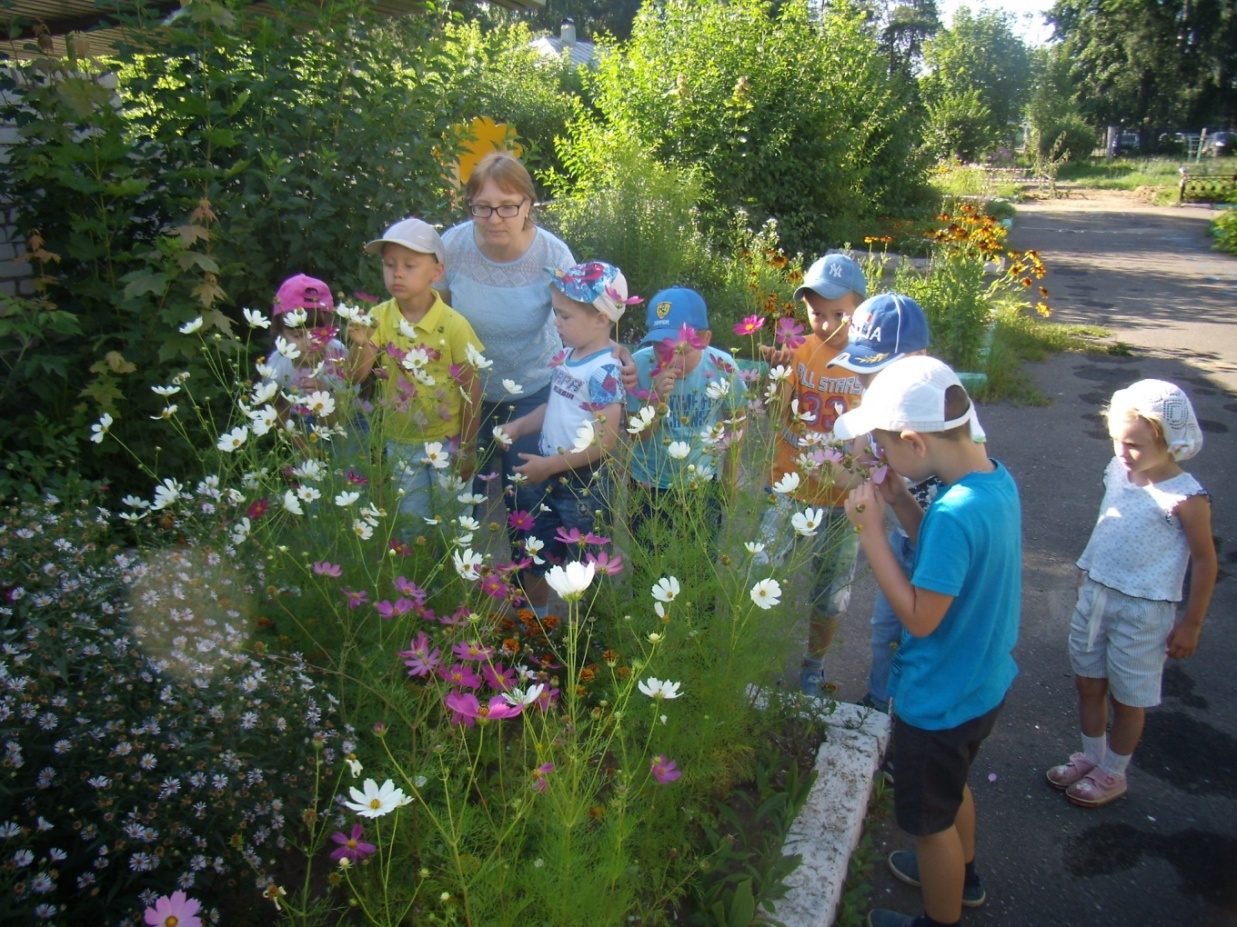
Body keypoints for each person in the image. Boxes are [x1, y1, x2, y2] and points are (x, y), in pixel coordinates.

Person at [839, 357, 1020, 927]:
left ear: (914, 442)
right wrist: (898, 502)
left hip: (935, 703)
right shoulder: (992, 482)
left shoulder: (955, 516)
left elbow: (920, 616)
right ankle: (961, 878)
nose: (881, 456)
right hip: (980, 688)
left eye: (885, 446)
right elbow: (948, 564)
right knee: (954, 788)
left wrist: (871, 535)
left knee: (929, 824)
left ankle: (938, 912)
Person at [1046, 379, 1214, 808]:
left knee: (1127, 696)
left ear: (1170, 442)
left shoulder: (1185, 498)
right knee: (1088, 682)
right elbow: (1108, 523)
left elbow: (1205, 561)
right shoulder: (1118, 471)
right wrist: (1088, 565)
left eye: (1135, 445)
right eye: (1118, 440)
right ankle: (1091, 755)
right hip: (1097, 595)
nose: (1123, 452)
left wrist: (1190, 624)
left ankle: (1114, 773)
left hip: (1144, 610)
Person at [437, 152, 576, 525]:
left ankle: (527, 580)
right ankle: (452, 578)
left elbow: (582, 320)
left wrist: (613, 355)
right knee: (455, 499)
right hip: (466, 393)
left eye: (507, 207)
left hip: (534, 391)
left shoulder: (553, 254)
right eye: (482, 207)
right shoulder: (452, 247)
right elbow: (436, 316)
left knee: (529, 506)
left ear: (528, 204)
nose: (494, 219)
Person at [755, 253, 868, 697]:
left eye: (840, 314)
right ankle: (754, 653)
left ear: (860, 308)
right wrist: (775, 373)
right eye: (817, 314)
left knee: (831, 593)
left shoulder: (870, 364)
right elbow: (773, 413)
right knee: (759, 574)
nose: (827, 325)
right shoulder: (798, 351)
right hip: (788, 488)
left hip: (842, 500)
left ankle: (814, 665)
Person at [499, 261, 629, 617]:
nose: (556, 322)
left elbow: (605, 442)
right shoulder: (571, 356)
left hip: (584, 482)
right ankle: (535, 623)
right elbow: (555, 405)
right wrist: (522, 425)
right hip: (547, 469)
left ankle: (588, 633)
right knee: (538, 551)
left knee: (587, 565)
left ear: (601, 318)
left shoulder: (604, 371)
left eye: (565, 316)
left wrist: (549, 466)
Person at [828, 293, 934, 714]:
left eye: (877, 373)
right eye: (861, 372)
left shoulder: (945, 426)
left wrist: (870, 525)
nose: (867, 386)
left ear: (920, 360)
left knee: (921, 638)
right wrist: (821, 465)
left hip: (936, 542)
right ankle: (877, 702)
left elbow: (948, 529)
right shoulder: (877, 405)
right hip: (905, 539)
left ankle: (908, 719)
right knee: (884, 629)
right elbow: (853, 468)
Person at [348, 217, 483, 529]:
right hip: (401, 441)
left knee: (453, 526)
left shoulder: (454, 325)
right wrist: (357, 345)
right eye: (389, 264)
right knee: (411, 524)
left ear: (436, 272)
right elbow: (356, 376)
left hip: (449, 441)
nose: (397, 273)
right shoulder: (377, 317)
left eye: (410, 265)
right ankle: (418, 578)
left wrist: (468, 448)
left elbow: (471, 390)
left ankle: (455, 577)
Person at [626, 287, 747, 549]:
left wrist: (730, 474)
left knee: (700, 562)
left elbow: (738, 418)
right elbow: (637, 435)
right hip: (649, 483)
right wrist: (656, 400)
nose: (671, 360)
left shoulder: (722, 367)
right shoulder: (639, 366)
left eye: (682, 351)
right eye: (661, 351)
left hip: (701, 482)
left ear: (703, 339)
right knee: (647, 562)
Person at [263, 273, 351, 436]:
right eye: (297, 335)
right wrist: (303, 447)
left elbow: (343, 415)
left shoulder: (338, 355)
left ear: (330, 328)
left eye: (318, 333)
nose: (309, 342)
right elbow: (278, 408)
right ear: (281, 333)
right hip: (298, 425)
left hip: (342, 422)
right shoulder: (277, 364)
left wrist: (323, 397)